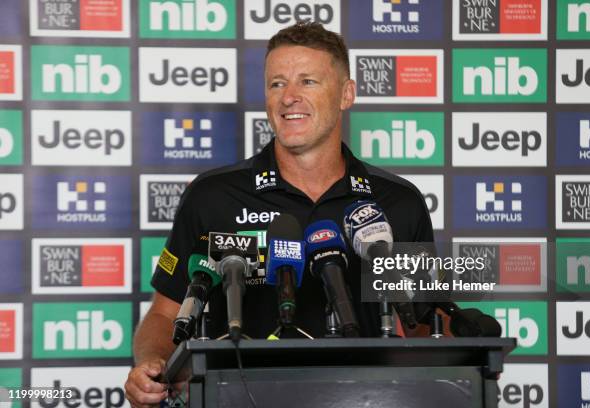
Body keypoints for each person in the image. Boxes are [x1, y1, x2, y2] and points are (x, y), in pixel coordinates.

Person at [125, 21, 434, 407]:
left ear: (346, 94)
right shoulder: (212, 196)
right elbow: (165, 314)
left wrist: (468, 356)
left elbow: (423, 322)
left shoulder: (397, 201)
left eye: (308, 81)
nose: (289, 97)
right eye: (277, 83)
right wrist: (154, 366)